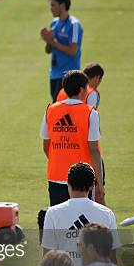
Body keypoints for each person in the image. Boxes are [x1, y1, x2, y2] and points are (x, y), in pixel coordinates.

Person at [41, 70, 104, 206]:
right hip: (83, 179)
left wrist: (59, 160)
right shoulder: (90, 113)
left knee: (60, 221)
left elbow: (46, 146)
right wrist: (100, 182)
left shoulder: (50, 110)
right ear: (82, 90)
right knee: (85, 223)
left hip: (56, 176)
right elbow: (94, 150)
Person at [42, 162, 120, 265]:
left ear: (68, 183)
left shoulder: (52, 213)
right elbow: (112, 258)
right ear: (92, 185)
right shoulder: (106, 214)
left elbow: (47, 257)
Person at [41, 0, 83, 102]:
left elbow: (73, 51)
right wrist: (47, 40)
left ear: (62, 5)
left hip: (68, 75)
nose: (51, 8)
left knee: (57, 108)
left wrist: (53, 42)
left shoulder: (74, 25)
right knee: (57, 106)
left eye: (53, 5)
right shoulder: (54, 23)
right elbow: (48, 50)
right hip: (54, 74)